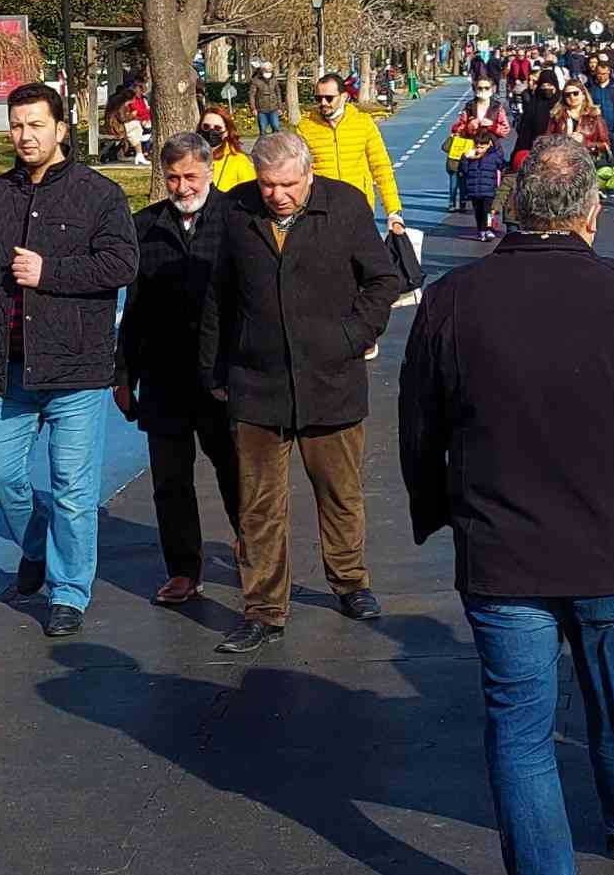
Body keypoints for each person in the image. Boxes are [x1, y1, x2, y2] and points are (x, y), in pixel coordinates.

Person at [400, 134, 614, 875]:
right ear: (590, 214)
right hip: (613, 543)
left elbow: (419, 427)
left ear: (512, 208)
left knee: (520, 729)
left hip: (502, 548)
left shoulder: (450, 302)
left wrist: (439, 508)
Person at [0, 82, 139, 638]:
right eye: (17, 125)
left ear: (61, 130)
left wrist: (51, 272)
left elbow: (122, 264)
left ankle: (69, 591)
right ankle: (36, 543)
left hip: (76, 368)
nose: (25, 136)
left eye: (36, 125)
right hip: (8, 368)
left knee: (73, 489)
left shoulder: (99, 195)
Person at [202, 133, 402, 653]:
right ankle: (264, 609)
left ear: (309, 174)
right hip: (255, 381)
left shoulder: (346, 206)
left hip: (330, 379)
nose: (278, 195)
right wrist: (215, 369)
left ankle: (351, 582)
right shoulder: (234, 210)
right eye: (268, 185)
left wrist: (353, 336)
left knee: (340, 493)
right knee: (258, 504)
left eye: (289, 184)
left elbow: (382, 281)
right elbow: (217, 295)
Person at [115, 133, 241, 606]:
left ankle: (252, 548)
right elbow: (135, 306)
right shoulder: (144, 226)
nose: (182, 186)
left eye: (190, 176)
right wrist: (122, 374)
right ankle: (183, 571)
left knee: (235, 470)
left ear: (209, 170)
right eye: (173, 177)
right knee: (169, 481)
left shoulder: (236, 220)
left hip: (223, 377)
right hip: (164, 377)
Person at [297, 72, 406, 247]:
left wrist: (393, 211)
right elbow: (298, 174)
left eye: (329, 98)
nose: (323, 103)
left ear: (344, 97)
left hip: (358, 208)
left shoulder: (363, 123)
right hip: (321, 212)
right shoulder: (305, 127)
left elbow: (381, 168)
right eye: (318, 98)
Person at [548, 78, 614, 192]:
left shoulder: (594, 116)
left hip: (588, 165)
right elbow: (547, 140)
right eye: (567, 95)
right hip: (562, 167)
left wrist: (584, 142)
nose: (572, 97)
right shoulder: (558, 116)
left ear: (583, 94)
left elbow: (605, 144)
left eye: (575, 93)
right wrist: (563, 140)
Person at [458, 129, 505, 241]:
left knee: (488, 211)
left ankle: (488, 229)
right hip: (474, 189)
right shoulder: (471, 157)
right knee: (478, 212)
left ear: (489, 145)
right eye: (477, 146)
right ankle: (481, 230)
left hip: (488, 190)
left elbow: (502, 163)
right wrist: (464, 159)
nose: (479, 149)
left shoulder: (493, 156)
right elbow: (464, 170)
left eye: (482, 147)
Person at [197, 105, 256, 192]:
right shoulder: (191, 157)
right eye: (206, 127)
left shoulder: (239, 160)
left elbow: (251, 193)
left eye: (217, 128)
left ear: (227, 132)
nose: (211, 131)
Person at [512, 69, 561, 162]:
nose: (547, 88)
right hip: (535, 153)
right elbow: (524, 134)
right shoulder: (533, 105)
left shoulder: (561, 104)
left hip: (558, 152)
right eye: (543, 86)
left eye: (550, 85)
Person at [587, 58, 614, 164]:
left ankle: (613, 174)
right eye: (599, 74)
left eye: (604, 73)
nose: (601, 76)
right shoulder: (591, 87)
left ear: (609, 73)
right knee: (599, 154)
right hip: (598, 127)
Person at [451, 76, 512, 140]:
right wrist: (469, 127)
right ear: (475, 90)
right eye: (480, 88)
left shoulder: (497, 107)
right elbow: (456, 130)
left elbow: (505, 130)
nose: (483, 90)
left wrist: (492, 125)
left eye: (487, 88)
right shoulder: (469, 107)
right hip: (471, 145)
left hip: (492, 145)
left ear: (492, 89)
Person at [249, 60, 284, 137]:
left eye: (269, 70)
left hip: (273, 108)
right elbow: (252, 95)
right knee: (263, 131)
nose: (268, 72)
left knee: (276, 128)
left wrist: (280, 108)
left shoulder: (274, 80)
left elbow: (278, 94)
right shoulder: (255, 81)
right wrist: (253, 108)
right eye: (266, 71)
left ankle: (277, 146)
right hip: (261, 110)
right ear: (262, 70)